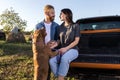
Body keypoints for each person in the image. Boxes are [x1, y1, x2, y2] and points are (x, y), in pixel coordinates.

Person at [49, 8, 80, 80]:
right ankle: (61, 77)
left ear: (66, 15)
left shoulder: (75, 26)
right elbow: (59, 40)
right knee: (51, 61)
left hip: (73, 50)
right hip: (62, 50)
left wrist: (66, 49)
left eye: (61, 14)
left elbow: (76, 41)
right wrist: (55, 44)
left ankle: (60, 78)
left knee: (64, 59)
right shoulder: (60, 27)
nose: (59, 16)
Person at [34, 4, 59, 80]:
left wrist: (56, 43)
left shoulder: (56, 26)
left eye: (54, 13)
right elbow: (36, 40)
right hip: (41, 53)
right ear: (46, 13)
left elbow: (59, 38)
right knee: (41, 71)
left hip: (52, 51)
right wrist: (45, 46)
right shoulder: (38, 26)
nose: (54, 15)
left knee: (48, 70)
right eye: (52, 13)